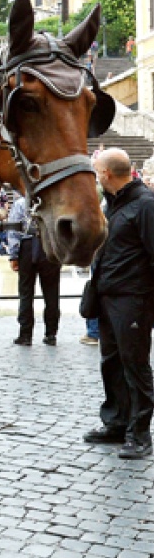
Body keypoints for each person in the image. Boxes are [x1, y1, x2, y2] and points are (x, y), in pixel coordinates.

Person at [83, 148, 154, 459]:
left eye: (96, 170)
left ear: (107, 174)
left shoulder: (145, 205)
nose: (95, 176)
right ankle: (115, 423)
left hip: (133, 300)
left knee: (135, 365)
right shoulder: (113, 204)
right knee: (110, 362)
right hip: (108, 297)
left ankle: (140, 434)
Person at [7, 192, 61, 347]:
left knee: (25, 293)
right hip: (49, 247)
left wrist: (13, 255)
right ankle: (51, 334)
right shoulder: (53, 202)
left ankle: (25, 335)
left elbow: (13, 229)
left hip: (27, 247)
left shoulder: (21, 203)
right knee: (52, 294)